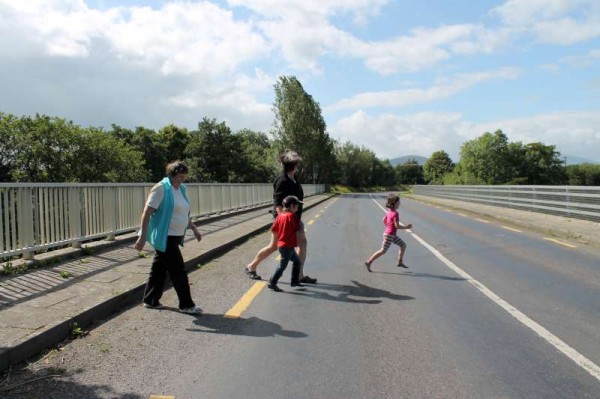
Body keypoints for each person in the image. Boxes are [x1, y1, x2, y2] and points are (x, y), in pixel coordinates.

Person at [134, 160, 202, 314]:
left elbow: (184, 212)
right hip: (165, 237)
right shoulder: (161, 188)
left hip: (175, 236)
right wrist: (143, 236)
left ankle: (150, 300)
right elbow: (147, 213)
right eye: (179, 176)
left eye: (184, 176)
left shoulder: (181, 189)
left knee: (159, 269)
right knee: (178, 271)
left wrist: (194, 228)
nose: (182, 179)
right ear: (171, 175)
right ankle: (186, 305)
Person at [244, 150, 317, 284]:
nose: (297, 166)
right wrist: (285, 221)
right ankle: (251, 266)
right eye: (296, 164)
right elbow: (278, 204)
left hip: (295, 220)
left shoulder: (294, 178)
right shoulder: (282, 180)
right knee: (273, 246)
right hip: (285, 221)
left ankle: (299, 275)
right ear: (293, 165)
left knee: (302, 243)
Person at [364, 193, 412, 272]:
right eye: (398, 202)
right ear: (394, 203)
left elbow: (383, 219)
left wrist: (388, 226)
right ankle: (369, 262)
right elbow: (397, 226)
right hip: (389, 235)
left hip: (391, 234)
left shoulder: (390, 211)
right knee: (383, 251)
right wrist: (406, 227)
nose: (400, 203)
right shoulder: (395, 213)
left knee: (403, 245)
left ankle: (400, 262)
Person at [267, 195, 304, 292]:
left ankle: (294, 281)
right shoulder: (292, 217)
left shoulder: (280, 216)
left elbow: (273, 229)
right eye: (297, 206)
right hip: (287, 247)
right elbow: (298, 230)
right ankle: (272, 282)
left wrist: (281, 237)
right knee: (282, 266)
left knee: (297, 262)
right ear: (292, 206)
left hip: (285, 246)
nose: (298, 208)